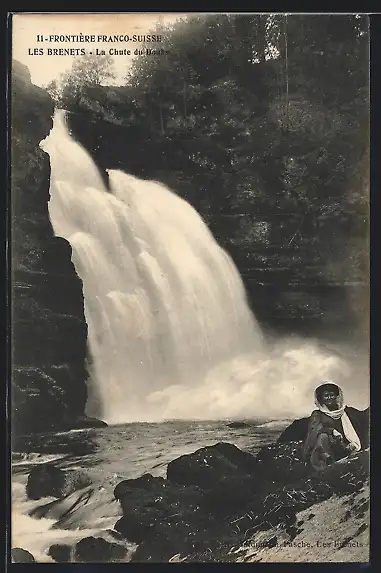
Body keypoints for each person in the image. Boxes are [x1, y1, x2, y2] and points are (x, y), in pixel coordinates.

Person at [303, 381, 369, 472]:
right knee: (323, 437)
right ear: (321, 398)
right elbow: (315, 430)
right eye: (326, 395)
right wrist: (331, 431)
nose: (329, 398)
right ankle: (324, 467)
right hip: (326, 449)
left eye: (332, 395)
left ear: (336, 396)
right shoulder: (317, 414)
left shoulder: (345, 412)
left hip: (344, 447)